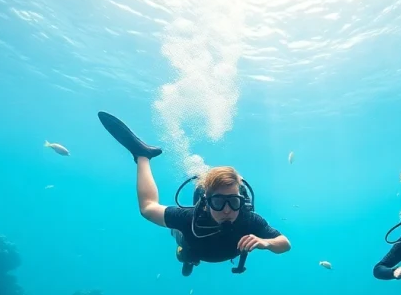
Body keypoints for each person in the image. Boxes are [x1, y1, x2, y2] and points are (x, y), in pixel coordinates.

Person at [98, 112, 291, 276]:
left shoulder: (249, 220)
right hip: (192, 248)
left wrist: (265, 243)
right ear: (206, 203)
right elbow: (148, 208)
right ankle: (187, 259)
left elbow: (284, 244)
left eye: (233, 202)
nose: (227, 210)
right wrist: (142, 157)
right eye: (218, 202)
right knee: (184, 254)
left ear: (242, 201)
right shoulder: (189, 219)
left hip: (216, 251)